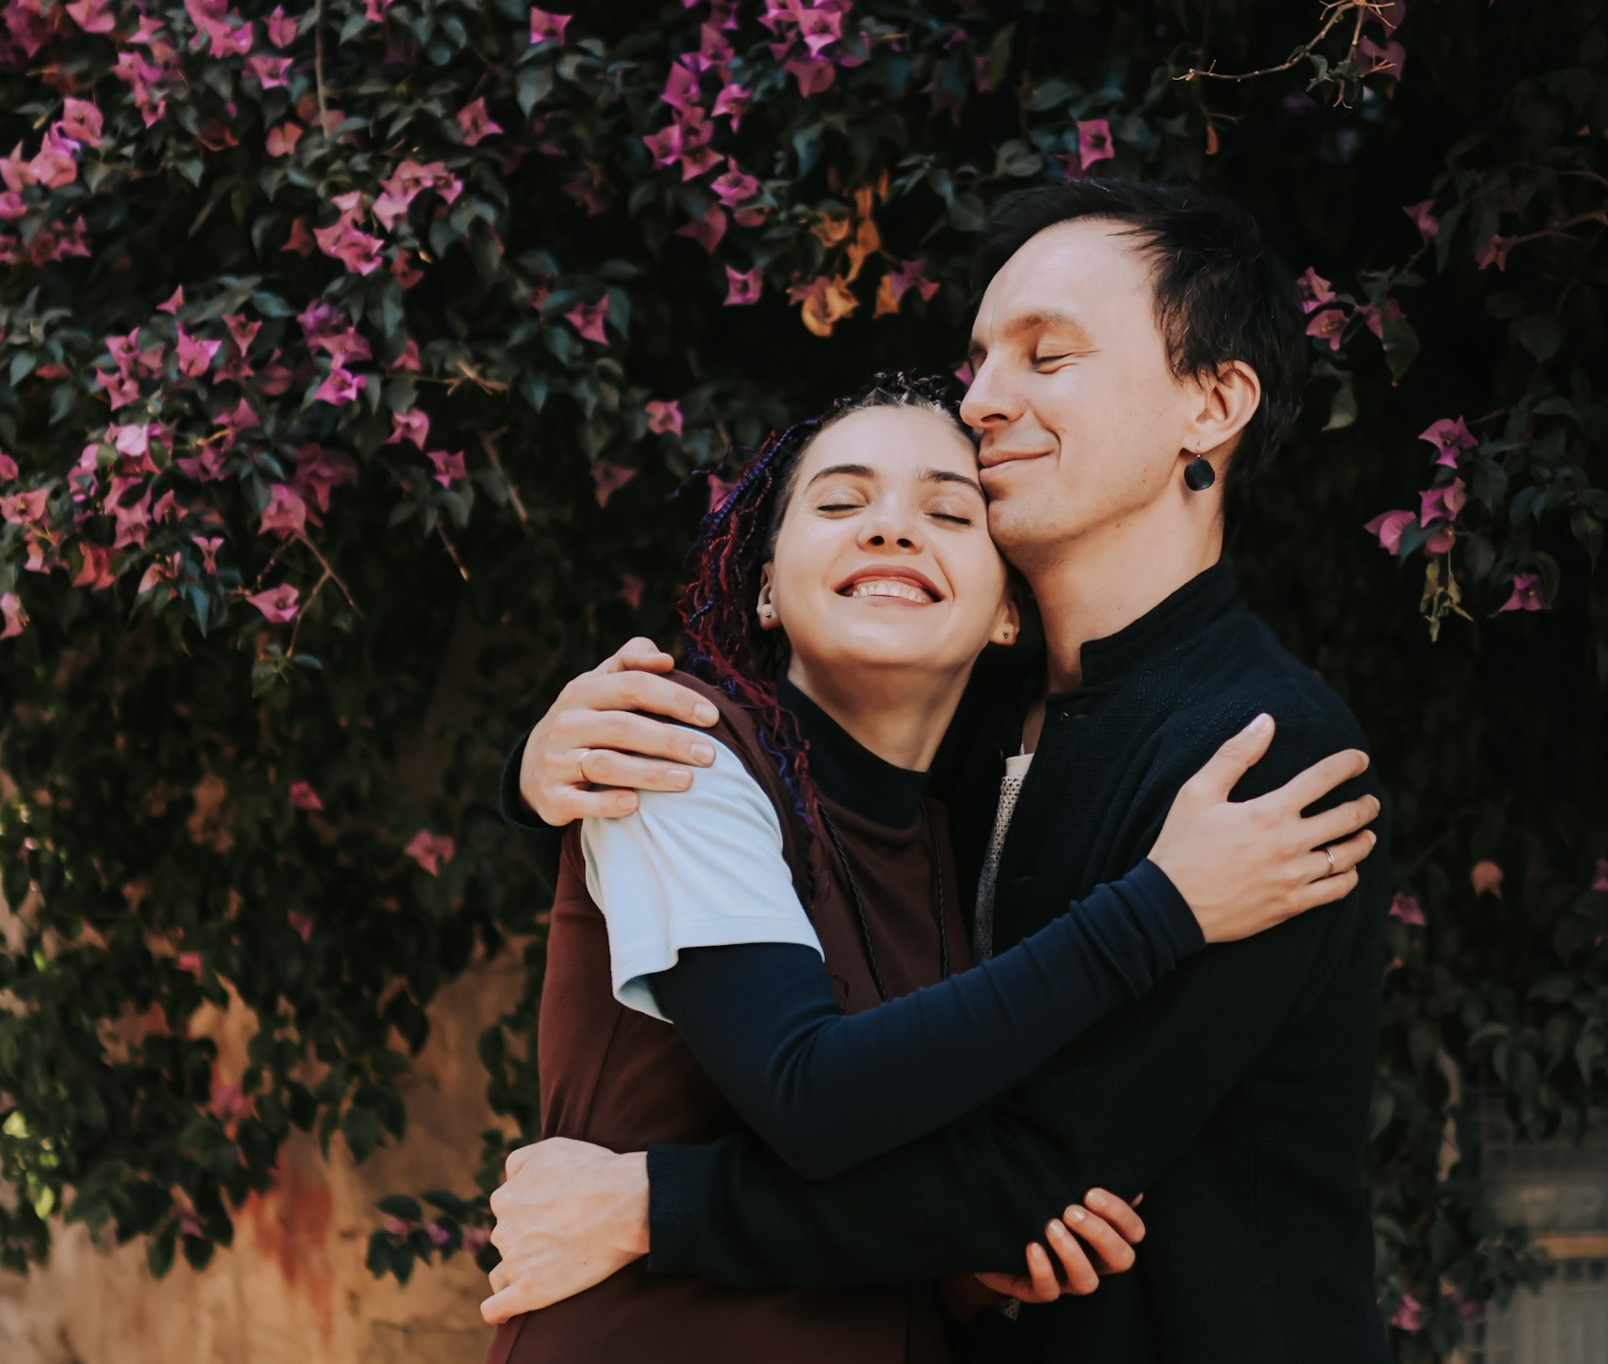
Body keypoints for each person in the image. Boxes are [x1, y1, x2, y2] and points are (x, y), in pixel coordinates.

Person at [488, 180, 1395, 1363]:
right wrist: (548, 782)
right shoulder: (953, 722)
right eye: (978, 359)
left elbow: (1029, 1164)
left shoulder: (1265, 757)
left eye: (1046, 355)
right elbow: (786, 950)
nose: (981, 399)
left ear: (1211, 403)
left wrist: (651, 1203)